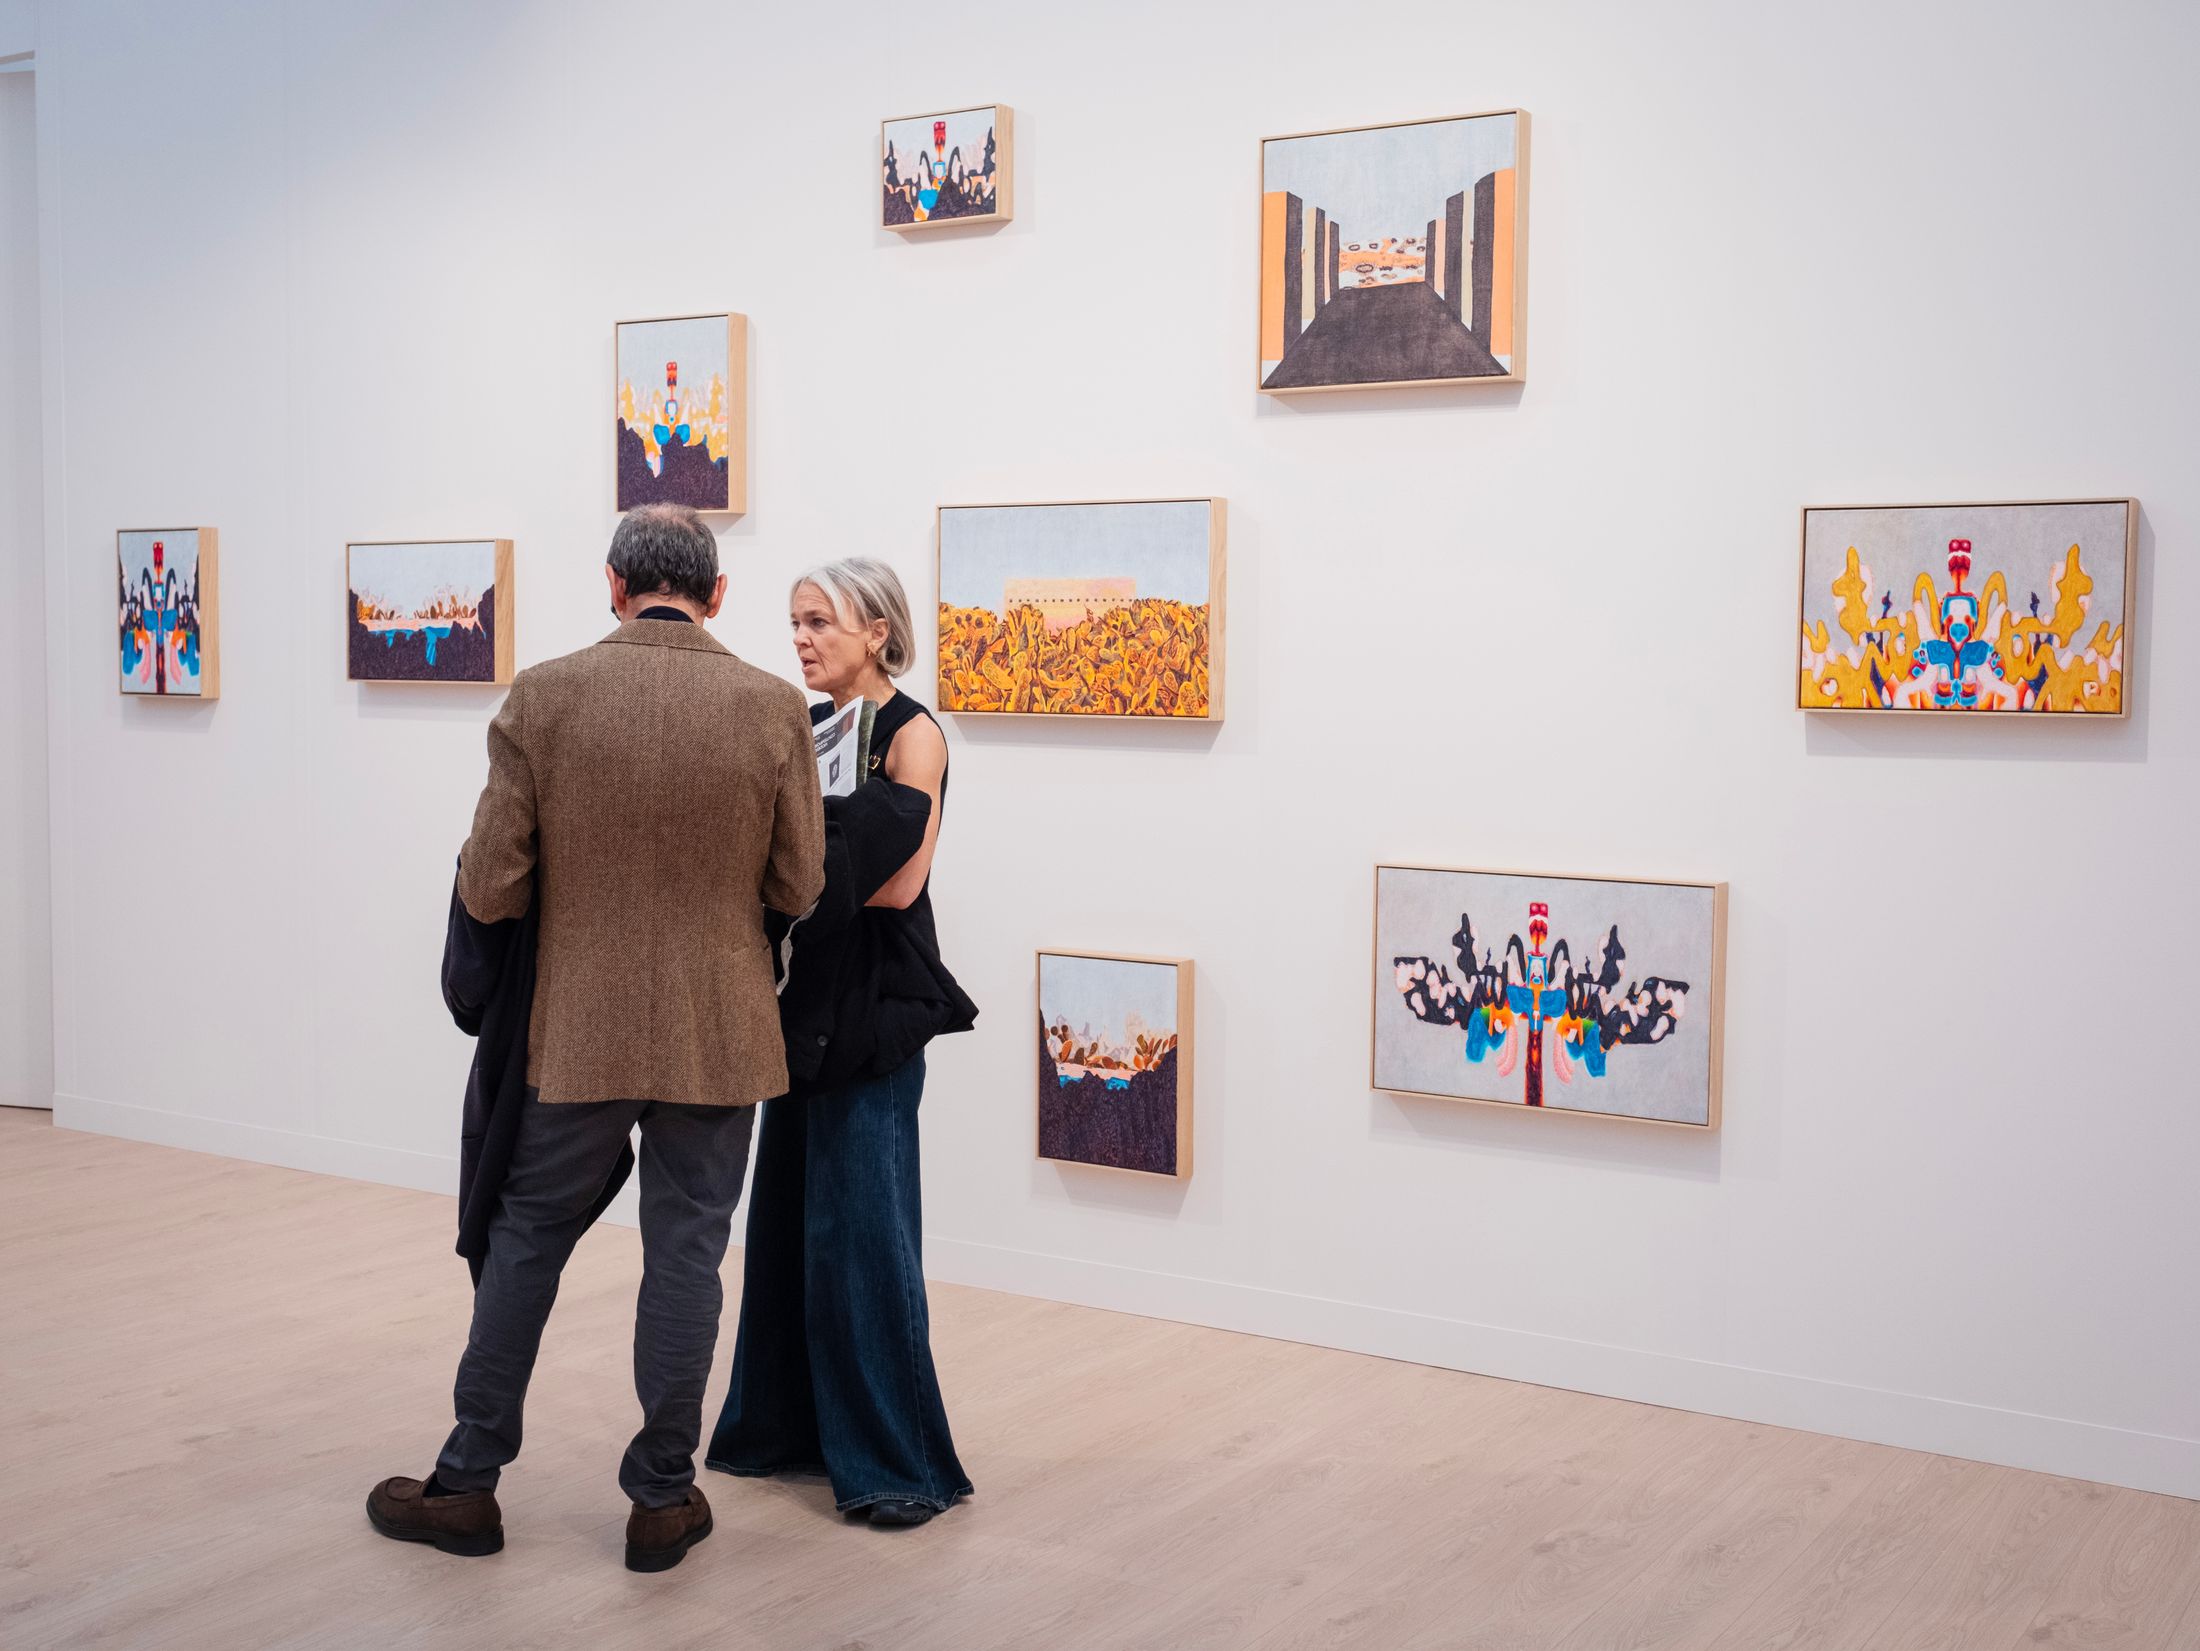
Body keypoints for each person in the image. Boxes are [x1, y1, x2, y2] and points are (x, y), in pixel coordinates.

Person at [366, 504, 826, 1573]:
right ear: (716, 596)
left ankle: (468, 1480)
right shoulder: (772, 709)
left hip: (576, 1023)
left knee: (526, 1237)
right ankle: (663, 1497)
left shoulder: (548, 694)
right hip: (719, 1028)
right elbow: (799, 882)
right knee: (688, 1255)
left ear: (613, 584)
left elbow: (492, 880)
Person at [707, 558, 978, 1528]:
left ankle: (895, 1464)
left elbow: (896, 883)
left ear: (877, 630)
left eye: (820, 621)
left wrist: (788, 866)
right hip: (800, 1004)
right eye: (793, 622)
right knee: (788, 1227)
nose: (802, 639)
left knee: (864, 1234)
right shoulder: (807, 729)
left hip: (871, 1008)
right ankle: (782, 1433)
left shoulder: (914, 735)